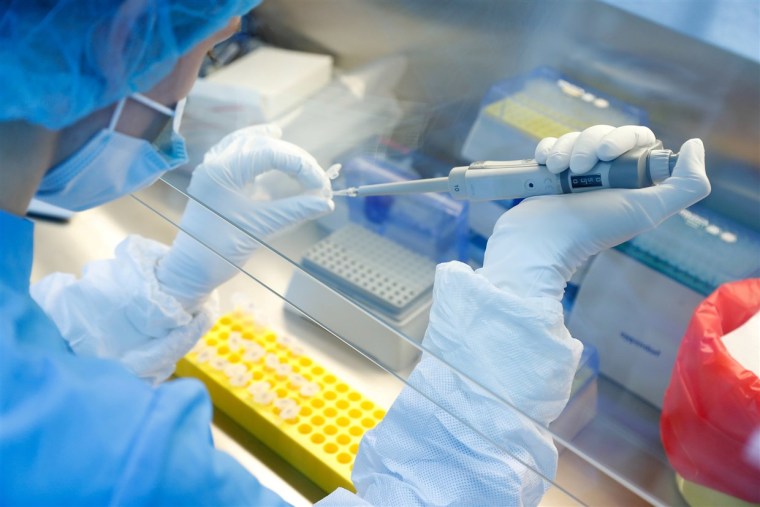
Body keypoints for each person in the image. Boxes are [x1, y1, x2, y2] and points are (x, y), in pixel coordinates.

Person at [0, 1, 711, 505]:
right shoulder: (121, 462)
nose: (190, 87)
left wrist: (169, 284)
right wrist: (524, 282)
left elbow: (34, 365)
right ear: (121, 35)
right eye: (210, 49)